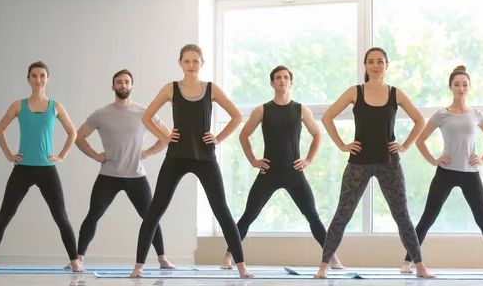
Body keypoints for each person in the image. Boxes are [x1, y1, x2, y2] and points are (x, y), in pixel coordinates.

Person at [130, 44, 253, 278]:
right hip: (176, 156)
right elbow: (147, 117)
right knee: (155, 210)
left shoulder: (211, 89)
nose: (191, 65)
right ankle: (139, 267)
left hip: (204, 157)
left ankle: (241, 266)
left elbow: (236, 116)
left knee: (222, 211)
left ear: (202, 63)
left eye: (195, 61)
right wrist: (165, 137)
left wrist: (217, 138)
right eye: (187, 61)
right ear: (180, 63)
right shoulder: (171, 88)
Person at [314, 47, 433, 279]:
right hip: (359, 163)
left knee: (402, 215)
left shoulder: (395, 94)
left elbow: (419, 120)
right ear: (365, 66)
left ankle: (419, 266)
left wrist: (406, 145)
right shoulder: (355, 92)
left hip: (389, 163)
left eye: (380, 61)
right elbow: (327, 117)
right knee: (343, 214)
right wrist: (342, 144)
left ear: (387, 65)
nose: (375, 65)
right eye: (371, 62)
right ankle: (323, 266)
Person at [221, 66, 343, 270]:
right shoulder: (262, 110)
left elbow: (318, 134)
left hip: (293, 172)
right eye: (278, 77)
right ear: (272, 83)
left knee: (312, 215)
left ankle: (332, 257)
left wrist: (309, 160)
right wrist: (253, 160)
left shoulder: (301, 109)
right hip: (268, 172)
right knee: (248, 215)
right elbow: (244, 135)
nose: (282, 80)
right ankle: (227, 256)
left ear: (291, 82)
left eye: (286, 77)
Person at [400, 66, 483, 275]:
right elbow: (420, 141)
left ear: (469, 88)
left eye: (464, 84)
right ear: (450, 87)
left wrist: (482, 158)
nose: (461, 88)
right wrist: (434, 160)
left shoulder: (476, 114)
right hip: (446, 172)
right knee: (428, 218)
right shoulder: (442, 114)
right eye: (457, 84)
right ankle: (407, 263)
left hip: (471, 173)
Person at [65, 69, 174, 269]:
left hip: (136, 175)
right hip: (109, 175)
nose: (123, 85)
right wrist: (95, 155)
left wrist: (148, 152)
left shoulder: (144, 113)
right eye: (119, 82)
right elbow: (79, 138)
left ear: (132, 86)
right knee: (93, 215)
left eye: (126, 82)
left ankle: (162, 258)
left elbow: (166, 137)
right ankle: (78, 258)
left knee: (151, 216)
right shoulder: (101, 114)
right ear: (113, 86)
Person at [0, 61, 83, 273]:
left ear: (48, 79)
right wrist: (9, 154)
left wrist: (62, 156)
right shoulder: (19, 105)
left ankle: (75, 262)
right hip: (23, 169)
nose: (38, 80)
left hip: (47, 170)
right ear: (28, 79)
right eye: (34, 76)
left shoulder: (56, 106)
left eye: (42, 76)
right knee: (5, 215)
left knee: (61, 216)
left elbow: (73, 133)